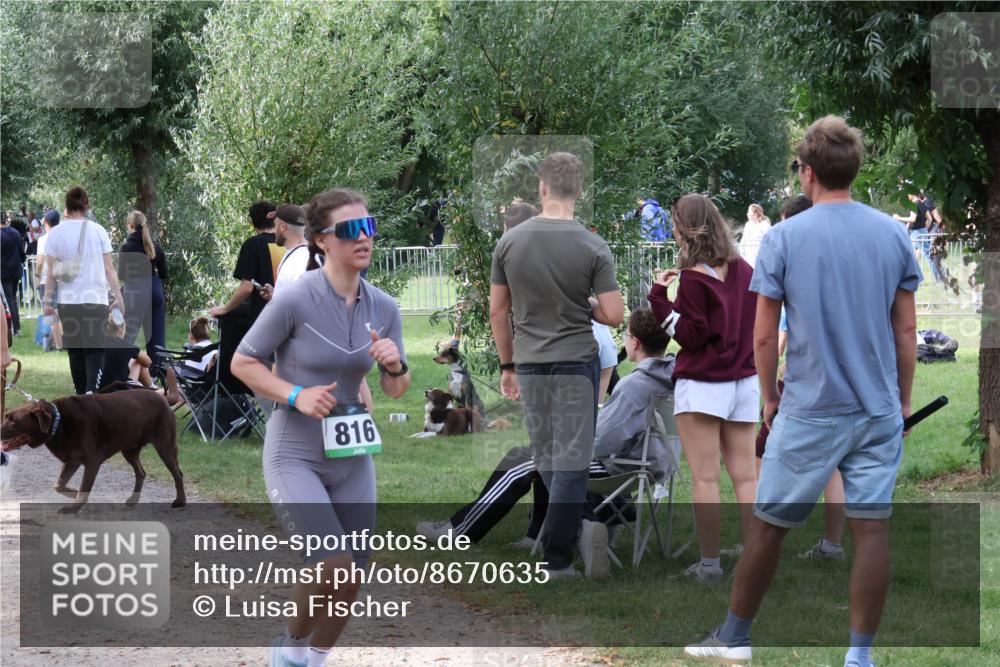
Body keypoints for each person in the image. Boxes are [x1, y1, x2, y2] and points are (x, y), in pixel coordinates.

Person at [685, 115, 921, 667]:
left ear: (808, 172)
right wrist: (903, 400)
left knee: (768, 528)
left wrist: (770, 397)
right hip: (876, 408)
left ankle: (734, 638)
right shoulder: (892, 233)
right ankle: (859, 656)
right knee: (871, 531)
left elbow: (764, 336)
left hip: (810, 407)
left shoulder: (784, 237)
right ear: (852, 170)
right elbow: (906, 331)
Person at [231, 187, 410, 667]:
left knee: (353, 574)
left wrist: (394, 365)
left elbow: (397, 389)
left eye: (369, 226)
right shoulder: (295, 298)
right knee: (331, 563)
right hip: (295, 451)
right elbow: (242, 362)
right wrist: (295, 394)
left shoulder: (384, 307)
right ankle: (289, 649)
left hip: (351, 455)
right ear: (322, 240)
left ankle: (312, 658)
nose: (364, 238)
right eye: (351, 229)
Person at [417, 308, 675, 547]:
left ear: (635, 342)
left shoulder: (634, 386)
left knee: (519, 462)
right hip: (647, 465)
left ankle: (459, 531)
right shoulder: (670, 378)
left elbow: (602, 441)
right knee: (539, 452)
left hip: (618, 467)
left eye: (627, 335)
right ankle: (538, 536)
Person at [490, 151, 624, 580]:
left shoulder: (509, 242)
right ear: (579, 190)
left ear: (542, 187)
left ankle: (576, 530)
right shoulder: (592, 244)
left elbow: (498, 311)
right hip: (575, 361)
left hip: (530, 363)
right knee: (571, 459)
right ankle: (562, 555)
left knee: (546, 454)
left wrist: (507, 365)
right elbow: (614, 314)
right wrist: (585, 303)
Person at [646, 193, 758, 582]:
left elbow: (691, 336)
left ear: (686, 228)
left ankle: (710, 565)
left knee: (706, 478)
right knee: (746, 476)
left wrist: (658, 299)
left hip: (705, 384)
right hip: (744, 380)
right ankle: (756, 556)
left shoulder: (693, 279)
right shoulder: (743, 269)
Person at [42, 186, 125, 395]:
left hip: (68, 302)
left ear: (67, 206)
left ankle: (81, 395)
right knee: (95, 350)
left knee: (75, 351)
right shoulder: (98, 231)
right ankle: (91, 393)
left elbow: (51, 273)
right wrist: (118, 296)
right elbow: (109, 268)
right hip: (95, 300)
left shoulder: (55, 234)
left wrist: (47, 302)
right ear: (86, 205)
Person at [210, 200, 278, 395]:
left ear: (252, 223)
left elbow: (247, 288)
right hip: (287, 316)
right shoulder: (290, 245)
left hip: (261, 319)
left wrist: (224, 309)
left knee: (230, 322)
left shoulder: (253, 244)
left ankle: (230, 388)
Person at [269, 204, 310, 297]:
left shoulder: (296, 263)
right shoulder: (302, 253)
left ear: (283, 227)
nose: (274, 231)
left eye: (275, 225)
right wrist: (275, 294)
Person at [0, 214, 26, 337]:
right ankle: (16, 328)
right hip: (16, 270)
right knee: (13, 300)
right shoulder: (15, 232)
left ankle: (12, 329)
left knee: (8, 300)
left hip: (4, 272)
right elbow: (21, 252)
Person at [738, 203, 771, 269]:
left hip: (760, 258)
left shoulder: (765, 225)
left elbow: (769, 241)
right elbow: (743, 241)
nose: (747, 214)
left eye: (749, 212)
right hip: (748, 258)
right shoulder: (748, 225)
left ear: (755, 214)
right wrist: (741, 255)